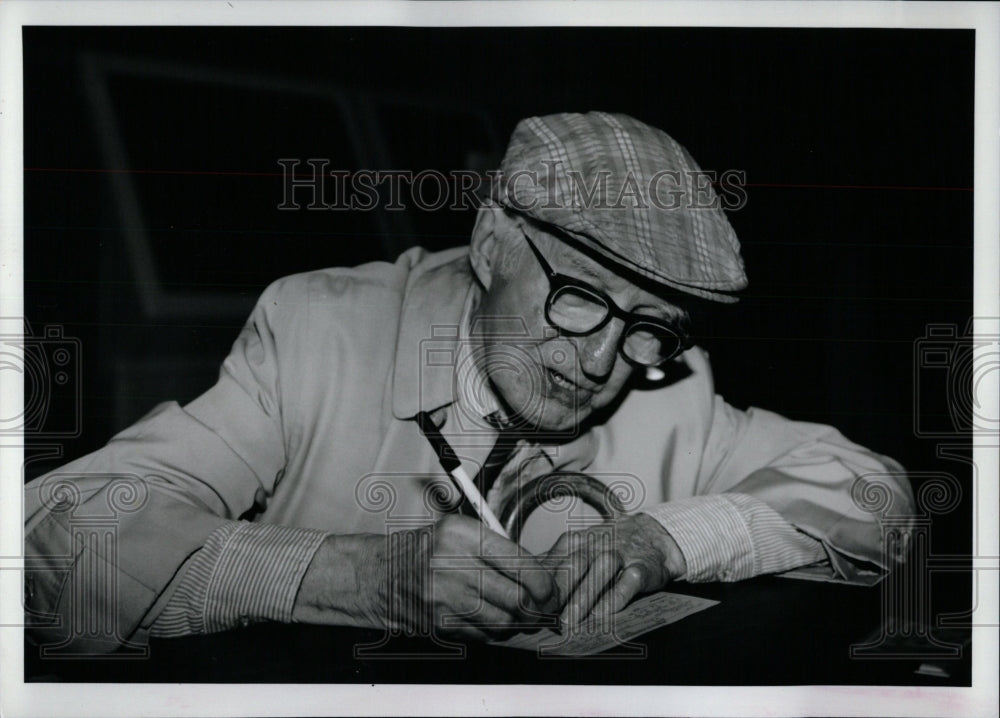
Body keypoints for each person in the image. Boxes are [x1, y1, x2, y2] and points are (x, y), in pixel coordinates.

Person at [23, 111, 913, 654]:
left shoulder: (671, 383)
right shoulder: (320, 333)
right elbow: (49, 536)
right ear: (490, 243)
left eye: (649, 324)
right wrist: (345, 576)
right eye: (577, 298)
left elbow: (873, 491)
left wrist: (665, 541)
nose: (604, 363)